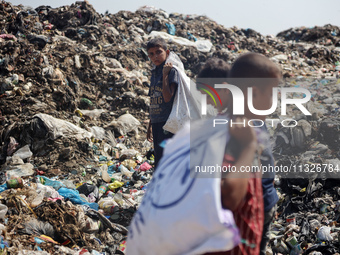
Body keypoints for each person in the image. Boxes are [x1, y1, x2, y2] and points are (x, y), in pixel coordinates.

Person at [126, 54, 281, 255]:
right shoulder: (235, 132)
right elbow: (227, 195)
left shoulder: (242, 127)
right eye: (271, 93)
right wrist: (249, 146)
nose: (275, 100)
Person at [198, 59, 278, 255]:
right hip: (253, 208)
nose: (207, 101)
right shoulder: (238, 122)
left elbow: (229, 192)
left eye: (208, 95)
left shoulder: (241, 124)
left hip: (254, 208)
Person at [146, 38, 179, 168]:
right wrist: (150, 123)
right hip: (156, 122)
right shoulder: (154, 72)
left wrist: (165, 75)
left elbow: (167, 98)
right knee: (159, 158)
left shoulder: (171, 71)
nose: (155, 56)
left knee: (167, 159)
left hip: (168, 123)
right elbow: (154, 98)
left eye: (159, 52)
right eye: (151, 54)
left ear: (167, 52)